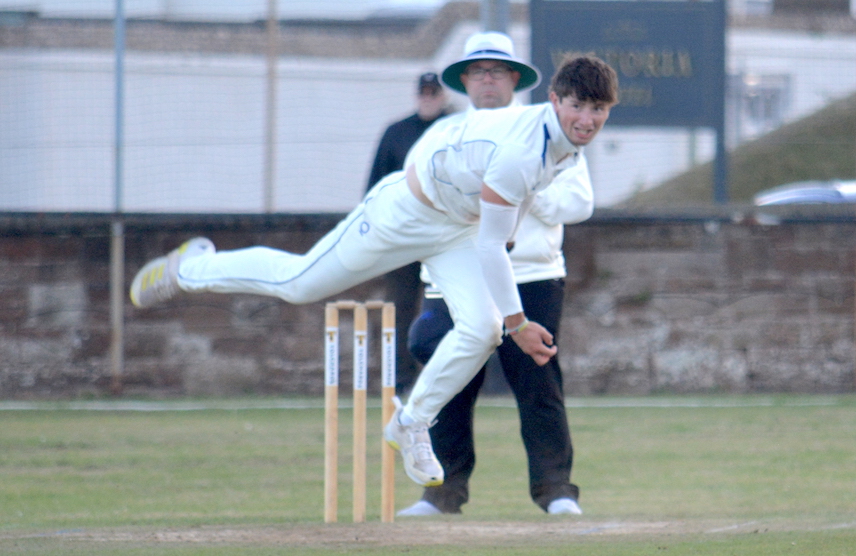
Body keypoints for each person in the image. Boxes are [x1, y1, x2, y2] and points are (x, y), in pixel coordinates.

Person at [129, 55, 619, 492]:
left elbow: (510, 209)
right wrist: (520, 323)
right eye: (577, 106)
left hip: (456, 229)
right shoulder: (523, 149)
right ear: (555, 100)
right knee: (300, 284)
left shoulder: (560, 143)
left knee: (482, 329)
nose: (587, 119)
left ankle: (411, 422)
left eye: (597, 110)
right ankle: (191, 267)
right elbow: (494, 243)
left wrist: (506, 311)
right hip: (403, 214)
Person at [396, 32, 591, 517]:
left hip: (532, 274)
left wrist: (519, 189)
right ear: (464, 80)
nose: (488, 79)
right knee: (450, 382)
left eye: (498, 71)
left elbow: (579, 202)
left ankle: (556, 490)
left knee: (538, 384)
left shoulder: (548, 131)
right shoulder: (443, 134)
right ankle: (442, 492)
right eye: (478, 71)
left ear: (514, 79)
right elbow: (419, 200)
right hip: (456, 278)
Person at [366, 72, 450, 395]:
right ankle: (400, 378)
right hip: (402, 236)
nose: (428, 98)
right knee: (400, 308)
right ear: (416, 96)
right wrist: (377, 230)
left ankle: (445, 376)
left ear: (443, 96)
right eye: (423, 93)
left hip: (443, 238)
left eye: (433, 93)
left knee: (447, 307)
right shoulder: (396, 133)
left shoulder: (454, 130)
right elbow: (376, 185)